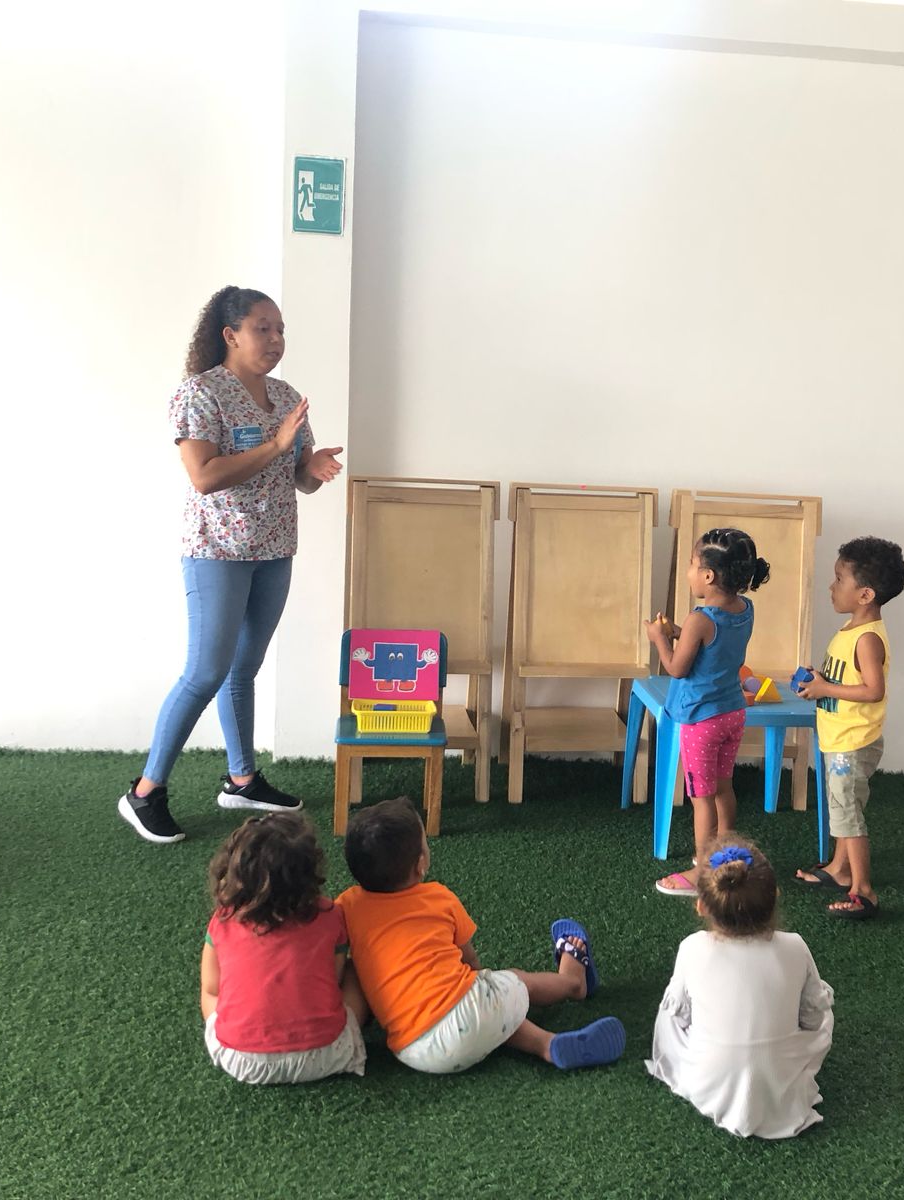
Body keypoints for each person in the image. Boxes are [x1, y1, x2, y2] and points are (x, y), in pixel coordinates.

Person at [118, 286, 343, 844]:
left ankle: (241, 780)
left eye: (280, 329)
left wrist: (312, 465)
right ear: (231, 335)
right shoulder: (200, 393)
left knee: (244, 669)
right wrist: (277, 446)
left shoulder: (286, 397)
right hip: (216, 551)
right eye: (263, 328)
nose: (276, 339)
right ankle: (144, 792)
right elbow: (205, 476)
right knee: (205, 672)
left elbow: (300, 479)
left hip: (274, 550)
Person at [336, 797, 625, 1074]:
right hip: (471, 1015)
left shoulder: (347, 906)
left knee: (489, 1015)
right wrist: (481, 985)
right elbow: (470, 960)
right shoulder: (438, 898)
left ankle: (548, 1045)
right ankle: (573, 984)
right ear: (420, 865)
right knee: (507, 984)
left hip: (415, 1052)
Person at [646, 837, 835, 1138]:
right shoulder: (795, 946)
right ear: (775, 897)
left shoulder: (692, 948)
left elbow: (678, 1016)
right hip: (781, 1081)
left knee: (672, 1016)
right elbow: (813, 1018)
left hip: (710, 1081)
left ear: (701, 906)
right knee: (822, 1005)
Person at [199, 813, 369, 1084]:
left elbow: (211, 987)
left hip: (240, 1060)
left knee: (211, 996)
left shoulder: (223, 919)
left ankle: (240, 1032)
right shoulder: (330, 914)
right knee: (354, 970)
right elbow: (335, 979)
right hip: (325, 1055)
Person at [646, 528, 770, 896]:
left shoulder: (700, 619)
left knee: (701, 797)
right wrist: (679, 632)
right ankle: (727, 854)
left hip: (701, 720)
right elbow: (712, 644)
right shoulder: (744, 609)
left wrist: (660, 639)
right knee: (723, 787)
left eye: (691, 564)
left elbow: (677, 668)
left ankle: (704, 870)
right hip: (732, 713)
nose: (689, 572)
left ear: (709, 575)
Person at [793, 536, 904, 919]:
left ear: (865, 594)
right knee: (843, 805)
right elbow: (851, 679)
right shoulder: (851, 630)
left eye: (839, 579)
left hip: (851, 743)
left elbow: (874, 690)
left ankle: (863, 890)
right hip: (841, 739)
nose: (832, 586)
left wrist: (825, 689)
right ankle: (840, 869)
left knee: (847, 810)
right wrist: (821, 679)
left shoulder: (868, 638)